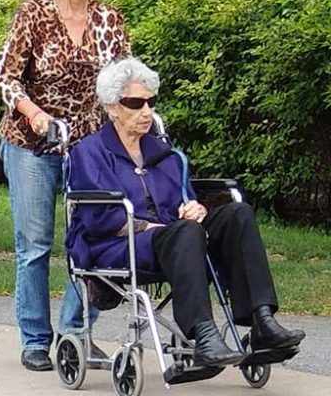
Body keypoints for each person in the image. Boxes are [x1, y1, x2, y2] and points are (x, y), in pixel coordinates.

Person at [67, 58, 306, 366]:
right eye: (135, 103)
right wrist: (152, 227)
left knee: (238, 214)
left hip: (177, 238)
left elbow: (183, 198)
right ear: (112, 107)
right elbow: (99, 219)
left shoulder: (163, 152)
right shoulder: (89, 152)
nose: (146, 111)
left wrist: (194, 208)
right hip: (117, 245)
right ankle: (204, 335)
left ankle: (262, 321)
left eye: (150, 102)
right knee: (185, 232)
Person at [0, 0, 130, 372]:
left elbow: (120, 81)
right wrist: (34, 114)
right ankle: (35, 338)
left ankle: (77, 334)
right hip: (32, 142)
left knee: (89, 240)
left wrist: (131, 121)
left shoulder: (110, 20)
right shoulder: (33, 15)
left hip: (87, 145)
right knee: (34, 243)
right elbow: (6, 78)